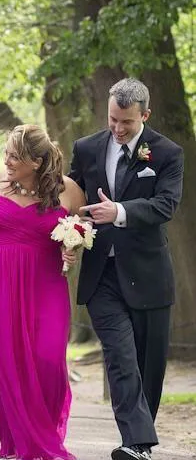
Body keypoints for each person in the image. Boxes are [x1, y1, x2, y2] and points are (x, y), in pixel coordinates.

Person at [0, 124, 86, 460]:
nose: (7, 161)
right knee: (6, 365)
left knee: (48, 359)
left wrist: (73, 249)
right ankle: (17, 440)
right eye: (7, 153)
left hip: (46, 285)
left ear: (37, 162)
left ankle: (43, 434)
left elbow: (81, 232)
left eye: (16, 156)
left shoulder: (68, 191)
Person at [68, 78, 183, 460]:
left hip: (149, 275)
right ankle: (135, 440)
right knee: (120, 356)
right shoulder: (85, 148)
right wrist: (67, 235)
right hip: (102, 276)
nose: (117, 129)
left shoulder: (168, 154)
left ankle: (140, 444)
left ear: (145, 116)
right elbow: (71, 198)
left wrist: (118, 211)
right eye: (113, 120)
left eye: (127, 123)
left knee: (149, 366)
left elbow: (165, 206)